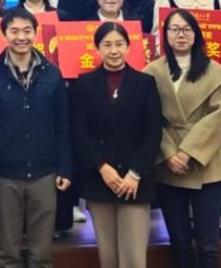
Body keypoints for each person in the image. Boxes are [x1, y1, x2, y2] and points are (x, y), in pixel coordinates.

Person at [0, 8, 72, 268]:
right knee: (9, 253)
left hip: (45, 173)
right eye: (14, 31)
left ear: (35, 33)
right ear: (4, 35)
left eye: (27, 31)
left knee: (41, 254)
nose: (21, 37)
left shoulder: (53, 74)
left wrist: (65, 167)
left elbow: (63, 124)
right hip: (6, 176)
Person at [143, 9, 221, 268]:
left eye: (186, 29)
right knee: (179, 241)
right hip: (168, 162)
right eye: (174, 29)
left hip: (206, 160)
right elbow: (149, 118)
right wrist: (170, 153)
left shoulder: (215, 70)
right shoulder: (151, 71)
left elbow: (218, 116)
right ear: (165, 35)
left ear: (196, 35)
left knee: (208, 243)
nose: (180, 35)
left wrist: (188, 152)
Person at [71, 22, 162, 268]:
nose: (114, 50)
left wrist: (135, 173)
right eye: (107, 44)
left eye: (119, 44)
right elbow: (80, 132)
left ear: (129, 47)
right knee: (108, 257)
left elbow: (153, 132)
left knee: (133, 258)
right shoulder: (84, 83)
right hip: (100, 179)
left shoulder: (145, 83)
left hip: (135, 182)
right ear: (97, 48)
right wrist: (102, 167)